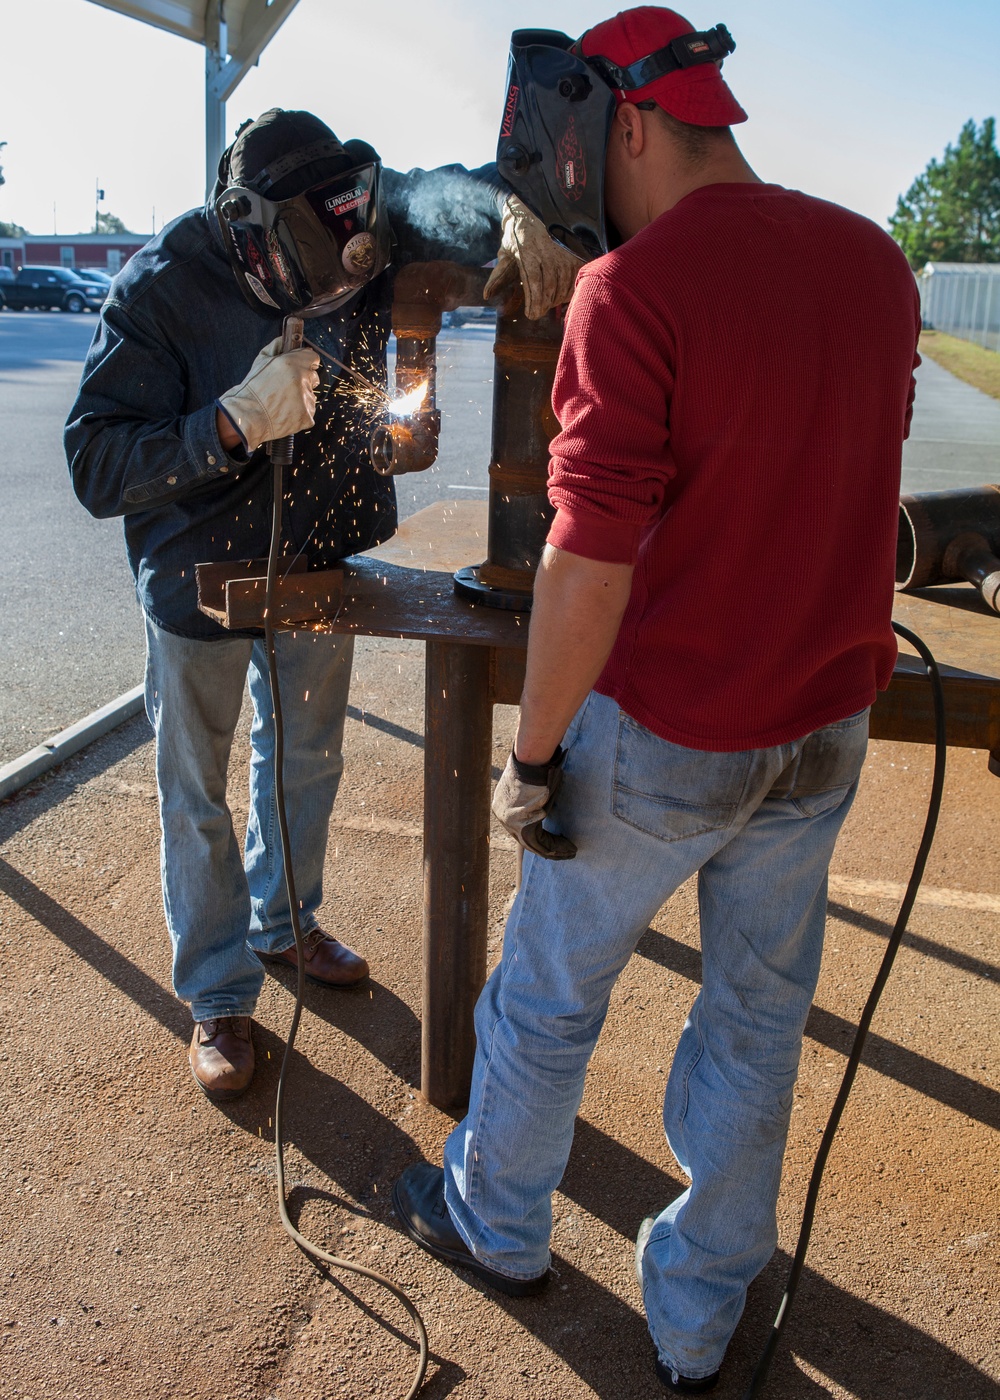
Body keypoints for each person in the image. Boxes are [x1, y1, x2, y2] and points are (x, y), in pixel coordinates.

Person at [392, 9, 921, 1392]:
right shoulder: (873, 260)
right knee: (756, 1021)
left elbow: (587, 561)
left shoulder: (635, 293)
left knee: (548, 1001)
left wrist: (536, 752)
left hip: (670, 730)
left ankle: (495, 1223)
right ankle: (699, 1321)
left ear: (622, 127)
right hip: (822, 733)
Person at [66, 108, 579, 1104]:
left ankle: (284, 920)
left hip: (314, 548)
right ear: (247, 230)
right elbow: (94, 461)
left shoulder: (365, 222)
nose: (351, 286)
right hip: (195, 570)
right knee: (198, 794)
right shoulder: (163, 285)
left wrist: (510, 209)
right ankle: (218, 993)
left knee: (306, 753)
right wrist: (224, 424)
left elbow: (450, 185)